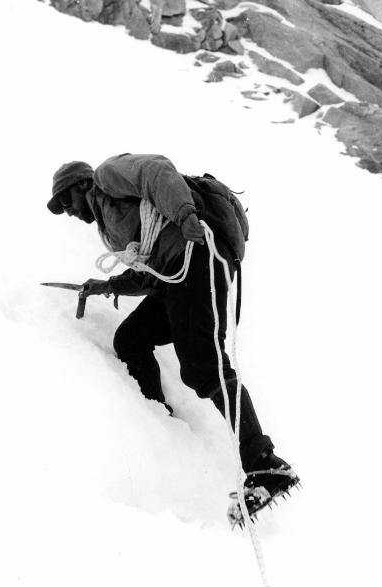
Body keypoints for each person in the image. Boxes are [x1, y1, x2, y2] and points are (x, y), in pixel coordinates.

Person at [47, 153, 299, 521]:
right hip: (177, 276)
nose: (67, 211)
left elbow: (155, 170)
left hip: (199, 257)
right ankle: (157, 415)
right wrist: (107, 285)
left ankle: (265, 464)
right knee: (131, 339)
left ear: (82, 185)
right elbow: (150, 270)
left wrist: (185, 215)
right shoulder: (110, 223)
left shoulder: (106, 176)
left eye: (65, 201)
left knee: (204, 367)